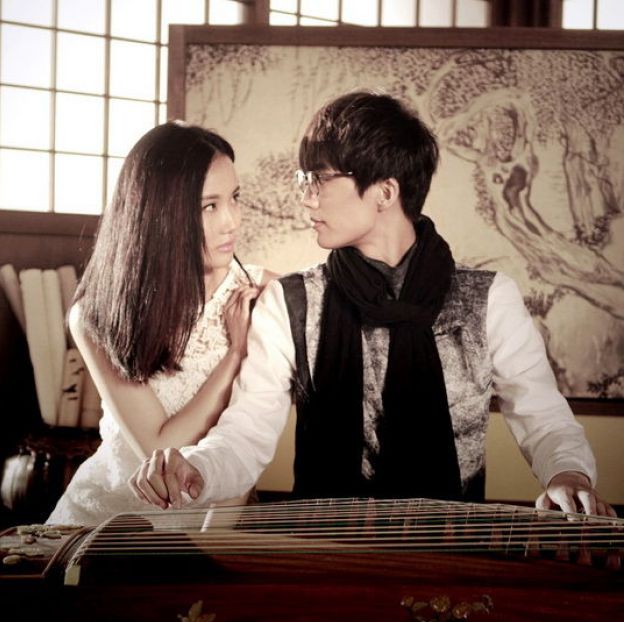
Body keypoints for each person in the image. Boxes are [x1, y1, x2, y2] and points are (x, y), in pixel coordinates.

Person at [129, 91, 615, 518]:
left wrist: (568, 476)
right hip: (324, 549)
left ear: (385, 191)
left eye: (319, 180)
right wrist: (199, 468)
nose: (307, 199)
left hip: (453, 547)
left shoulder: (488, 298)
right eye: (304, 180)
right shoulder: (291, 301)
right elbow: (246, 431)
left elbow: (541, 414)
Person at [47, 121, 275, 526]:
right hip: (107, 519)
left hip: (212, 517)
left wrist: (213, 543)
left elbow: (249, 439)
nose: (232, 221)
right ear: (162, 214)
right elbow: (158, 448)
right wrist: (235, 356)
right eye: (209, 206)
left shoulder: (264, 294)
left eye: (235, 198)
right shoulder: (98, 313)